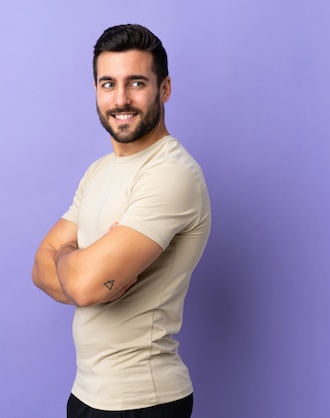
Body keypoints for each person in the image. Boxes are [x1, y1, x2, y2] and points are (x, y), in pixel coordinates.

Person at [32, 23, 211, 418]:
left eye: (136, 83)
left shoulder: (170, 173)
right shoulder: (99, 171)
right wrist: (78, 268)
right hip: (87, 394)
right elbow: (40, 267)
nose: (121, 99)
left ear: (164, 89)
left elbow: (80, 283)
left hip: (142, 401)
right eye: (108, 84)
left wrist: (75, 265)